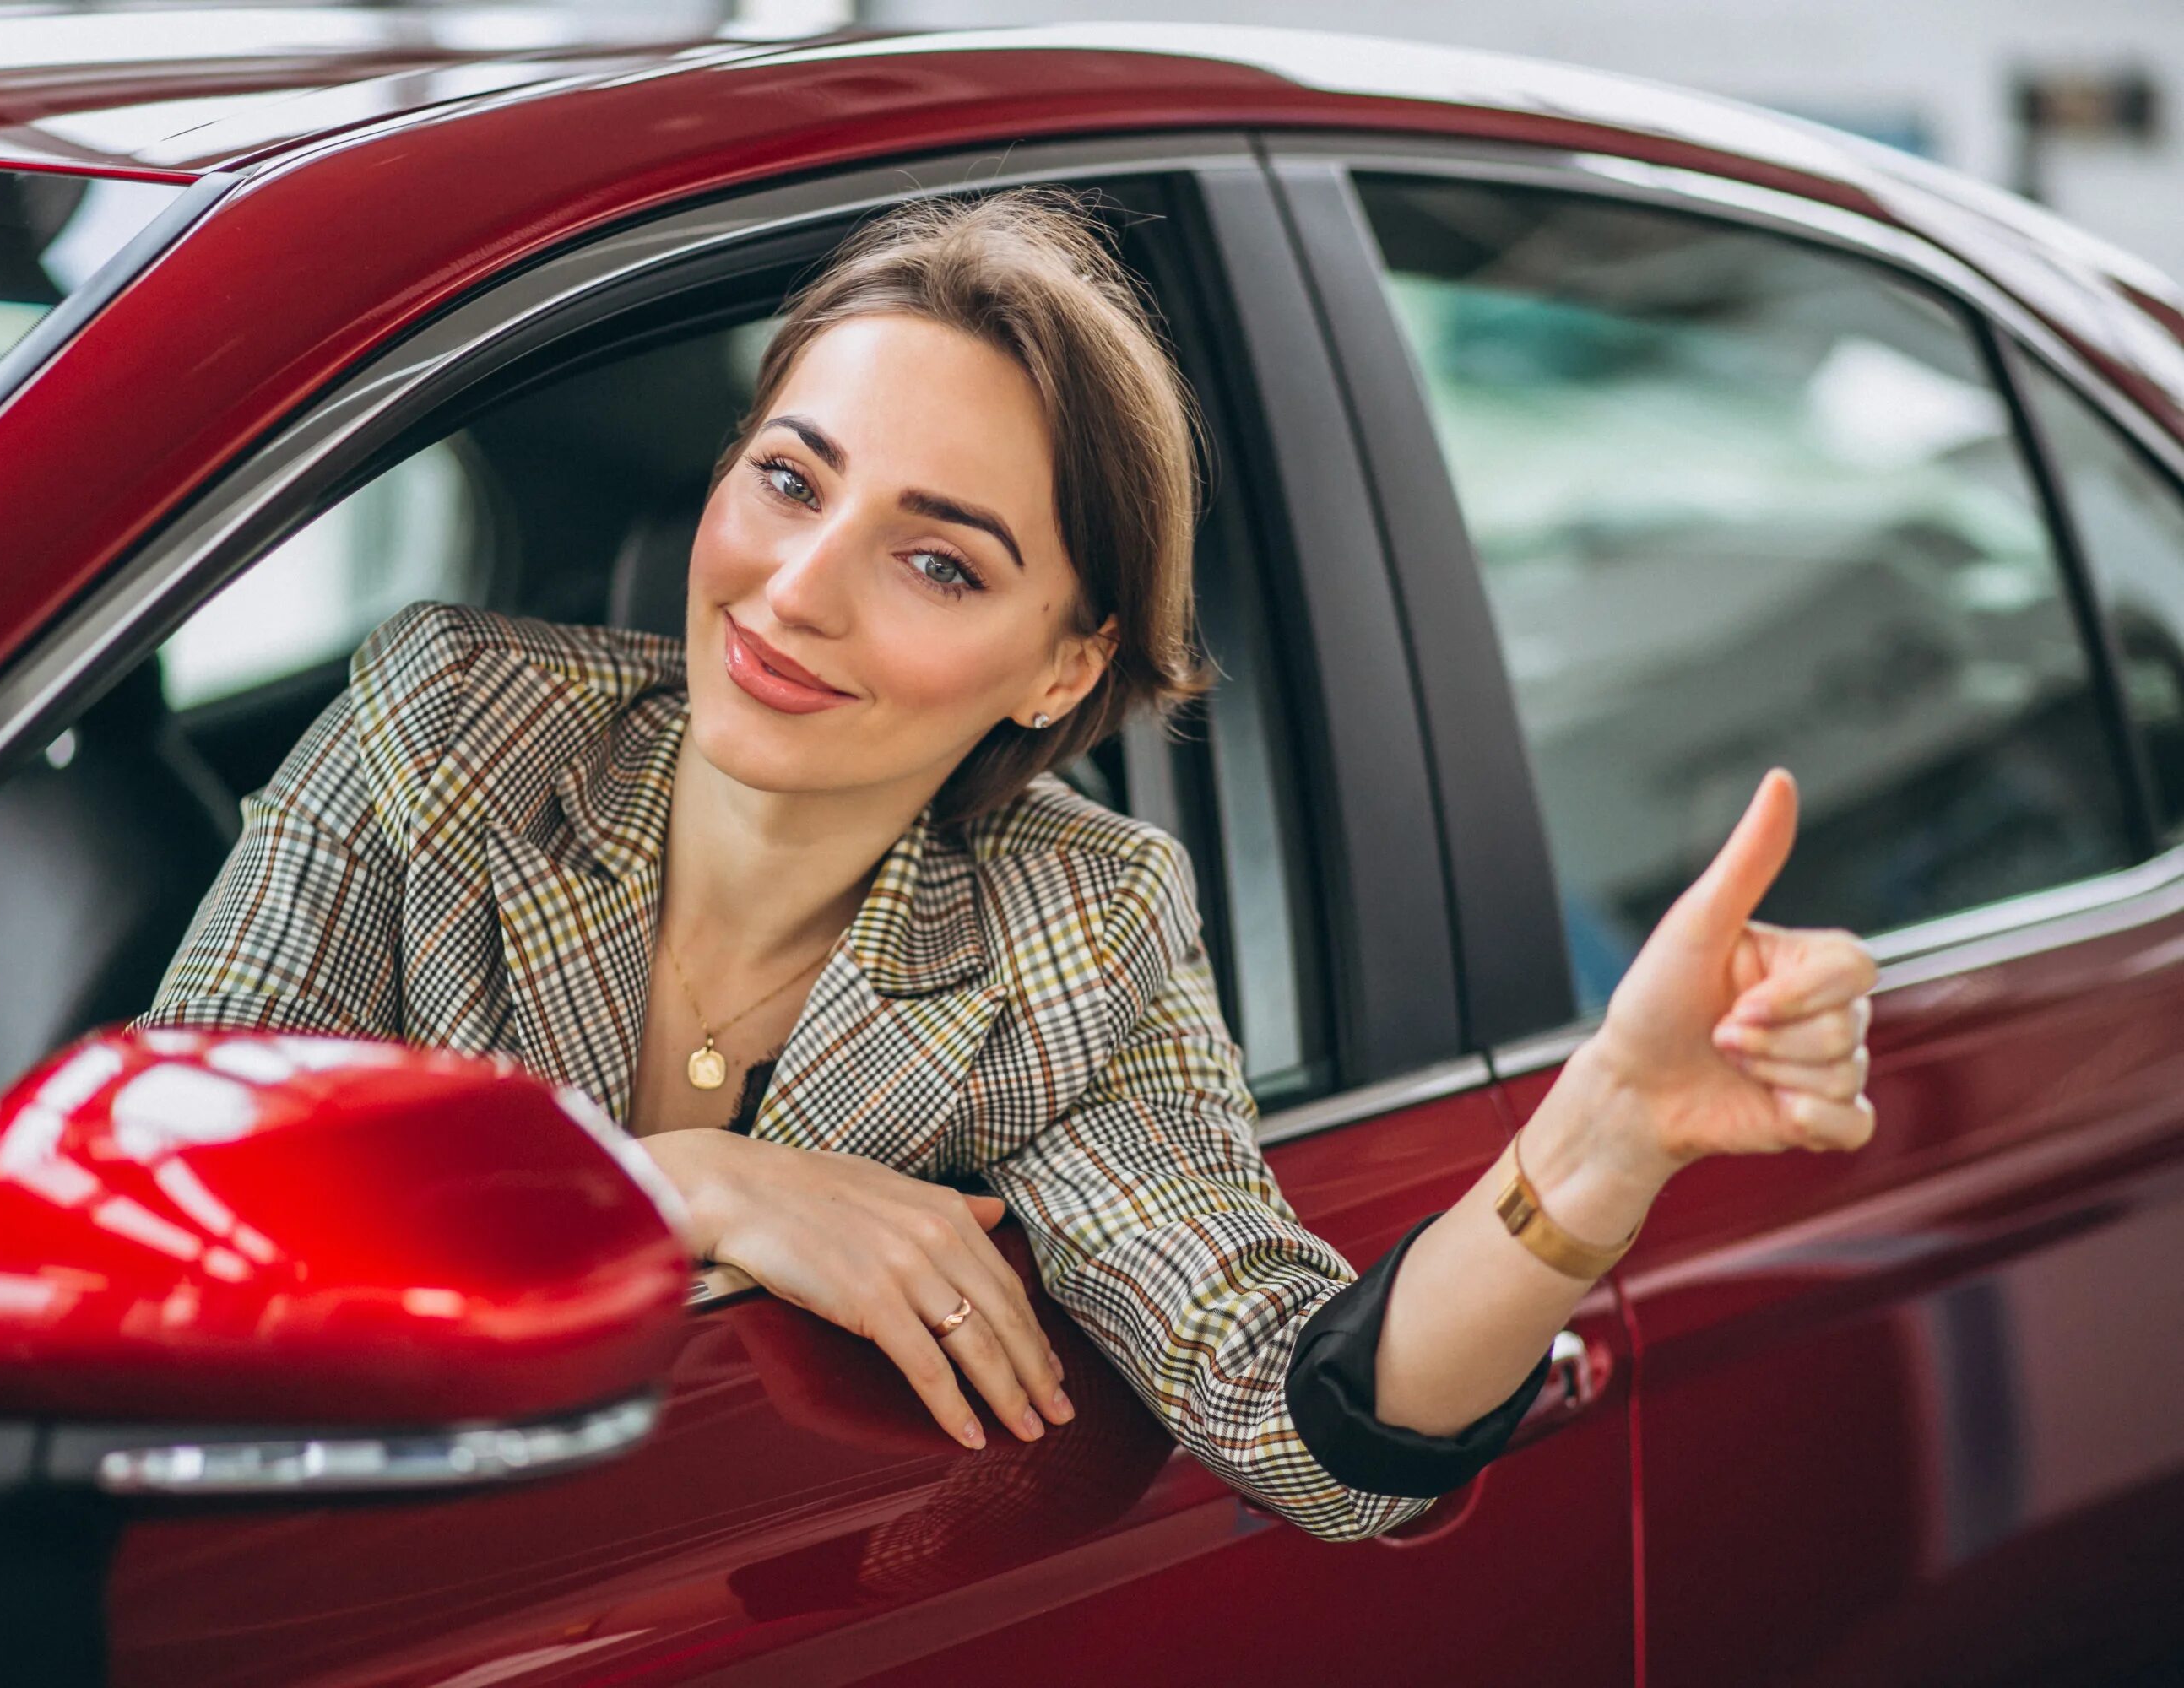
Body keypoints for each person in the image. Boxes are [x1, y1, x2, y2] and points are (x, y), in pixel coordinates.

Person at [140, 189, 1877, 1541]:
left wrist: (1602, 1137)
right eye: (788, 478)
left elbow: (1311, 1425)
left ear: (1063, 667)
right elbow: (168, 1192)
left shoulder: (1075, 930)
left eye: (943, 564)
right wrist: (679, 1182)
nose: (799, 586)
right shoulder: (453, 721)